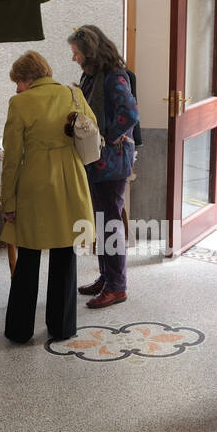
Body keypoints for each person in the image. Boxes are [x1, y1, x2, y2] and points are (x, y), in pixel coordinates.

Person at [0, 50, 95, 343]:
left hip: (36, 184)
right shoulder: (74, 94)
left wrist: (8, 202)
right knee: (65, 254)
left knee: (27, 258)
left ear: (28, 78)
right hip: (72, 180)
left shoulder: (20, 103)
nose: (17, 88)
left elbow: (12, 159)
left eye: (18, 81)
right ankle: (63, 327)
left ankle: (19, 330)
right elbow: (92, 135)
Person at [67, 24, 139, 308]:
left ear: (90, 52)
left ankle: (117, 287)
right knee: (102, 222)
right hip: (99, 161)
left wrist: (107, 136)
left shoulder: (114, 77)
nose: (74, 58)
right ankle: (106, 277)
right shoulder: (92, 76)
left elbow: (130, 113)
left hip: (112, 160)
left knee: (110, 223)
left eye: (76, 53)